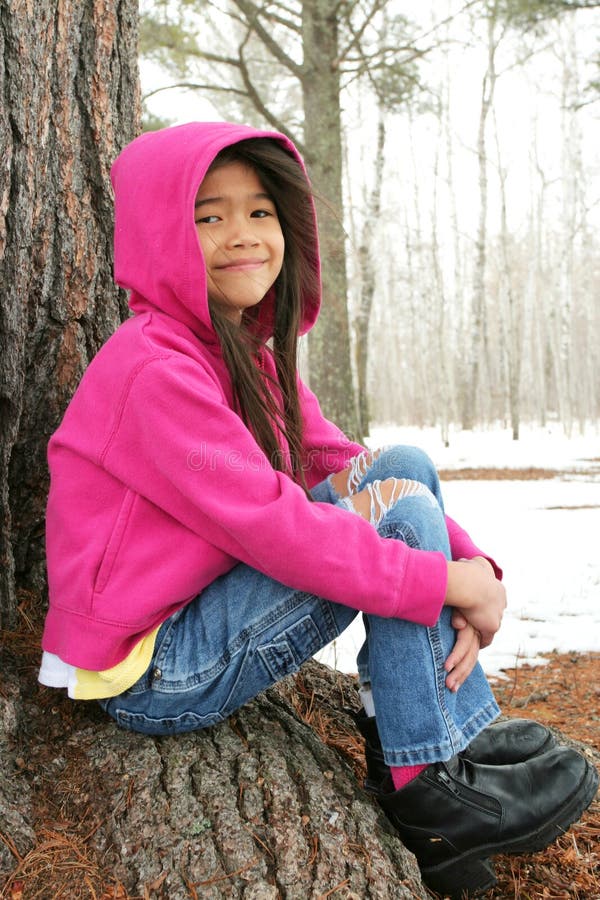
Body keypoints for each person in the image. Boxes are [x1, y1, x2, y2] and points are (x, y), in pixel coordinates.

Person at [38, 122, 597, 897]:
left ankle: (445, 734)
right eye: (209, 215)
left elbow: (340, 462)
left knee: (400, 467)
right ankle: (427, 783)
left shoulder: (244, 351)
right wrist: (442, 584)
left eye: (261, 211)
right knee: (386, 532)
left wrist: (474, 569)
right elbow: (278, 528)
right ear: (160, 235)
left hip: (204, 609)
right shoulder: (154, 369)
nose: (242, 235)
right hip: (153, 669)